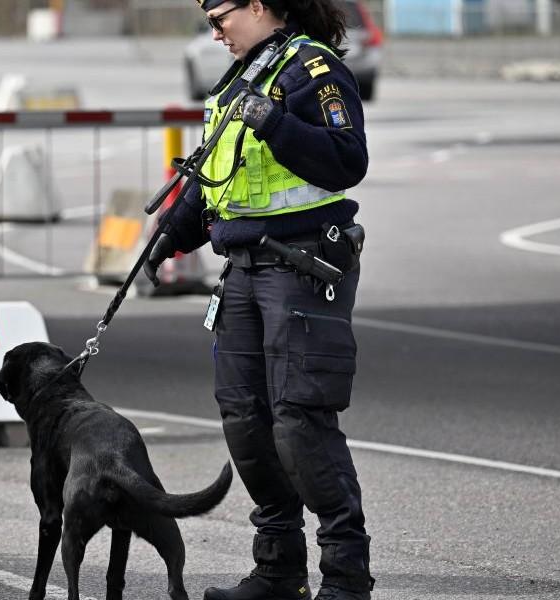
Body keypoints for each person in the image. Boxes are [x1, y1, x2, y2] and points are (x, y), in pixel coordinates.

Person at [145, 1, 373, 599]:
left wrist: (274, 120)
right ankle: (278, 570)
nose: (214, 32)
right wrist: (169, 235)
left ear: (260, 5)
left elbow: (348, 161)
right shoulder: (239, 80)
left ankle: (347, 580)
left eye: (221, 17)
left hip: (302, 266)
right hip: (243, 270)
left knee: (300, 422)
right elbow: (217, 179)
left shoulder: (312, 70)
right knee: (247, 422)